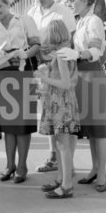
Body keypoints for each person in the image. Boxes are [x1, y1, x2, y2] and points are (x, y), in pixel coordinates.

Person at [57, 0, 106, 193]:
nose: (70, 3)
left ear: (85, 0)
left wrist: (78, 54)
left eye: (73, 0)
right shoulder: (80, 22)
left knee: (98, 129)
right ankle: (95, 168)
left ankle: (102, 172)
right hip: (80, 75)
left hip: (92, 74)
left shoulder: (94, 20)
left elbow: (96, 49)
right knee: (89, 128)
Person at [0, 0, 40, 183]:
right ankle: (9, 165)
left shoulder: (25, 20)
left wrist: (24, 55)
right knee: (8, 125)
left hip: (24, 72)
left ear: (7, 4)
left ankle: (22, 166)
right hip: (4, 75)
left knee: (23, 124)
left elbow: (36, 45)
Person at [27, 0, 76, 173]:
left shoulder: (64, 12)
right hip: (42, 67)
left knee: (64, 118)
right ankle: (53, 157)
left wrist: (55, 56)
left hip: (60, 66)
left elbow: (69, 41)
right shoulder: (31, 13)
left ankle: (68, 163)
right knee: (48, 114)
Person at [34, 20, 79, 198]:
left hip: (60, 101)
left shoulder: (61, 54)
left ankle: (67, 185)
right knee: (61, 144)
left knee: (62, 144)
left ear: (52, 34)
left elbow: (65, 83)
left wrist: (43, 78)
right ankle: (61, 179)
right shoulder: (67, 51)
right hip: (64, 101)